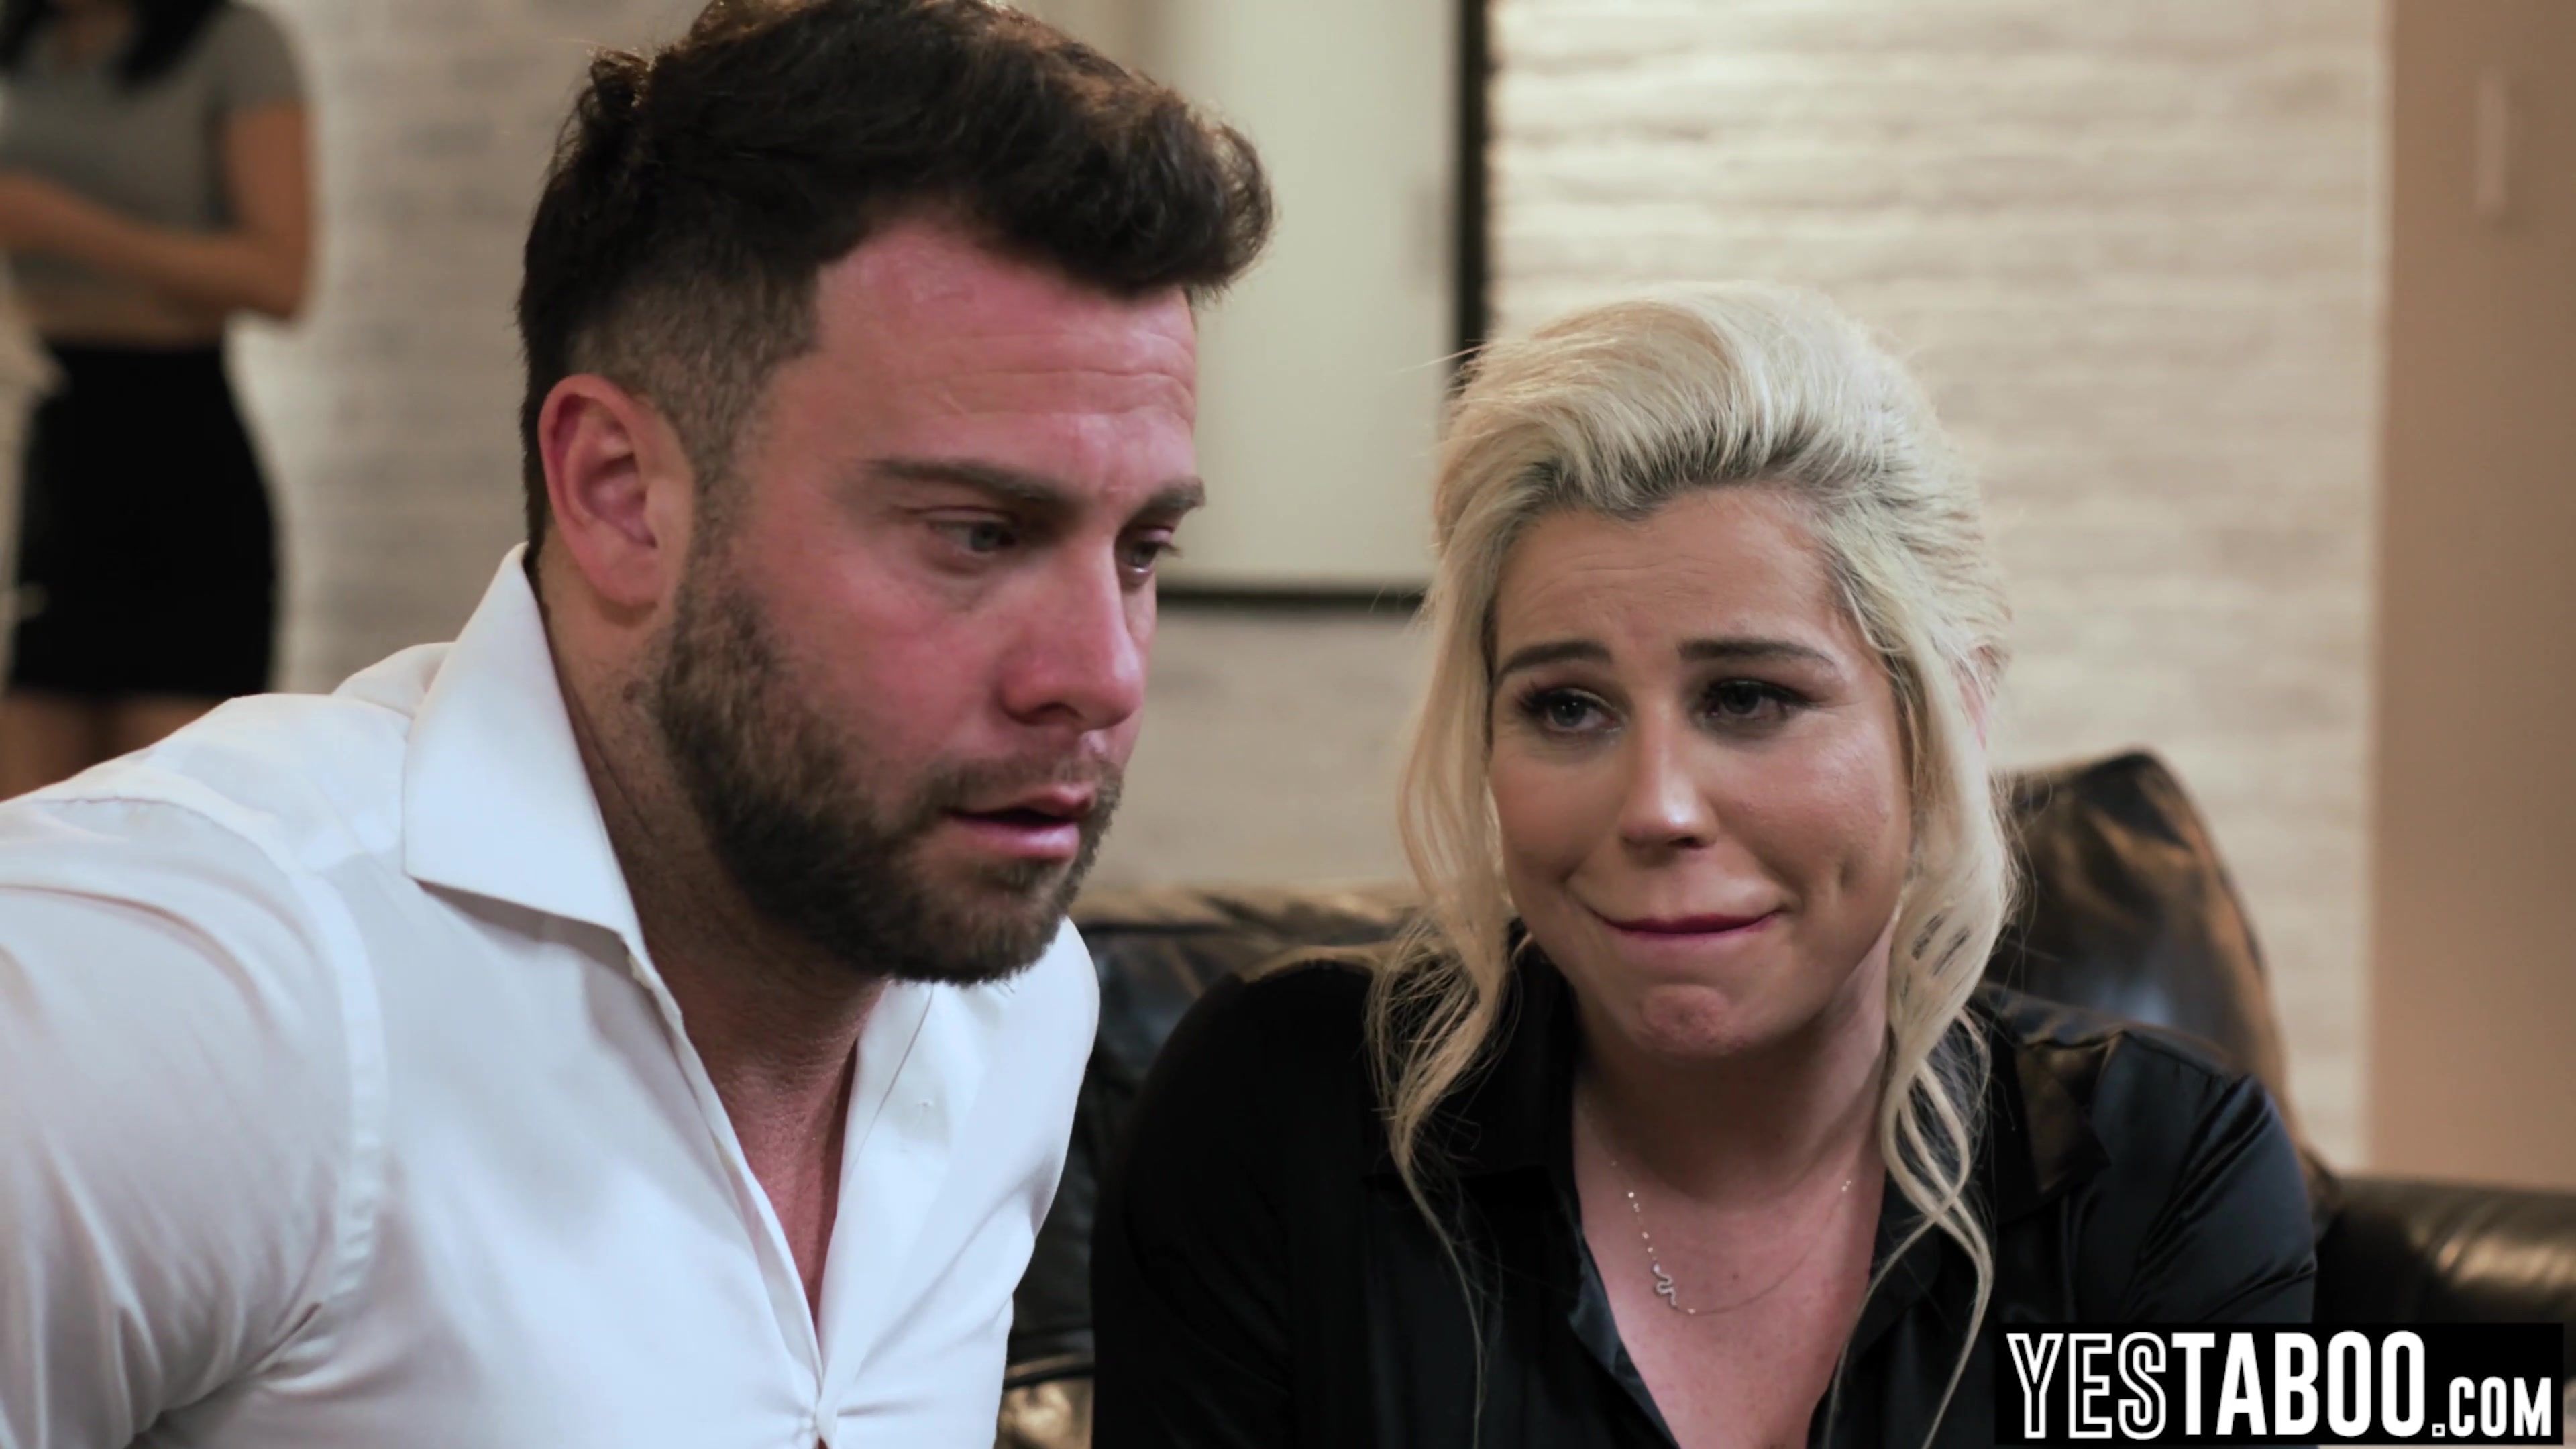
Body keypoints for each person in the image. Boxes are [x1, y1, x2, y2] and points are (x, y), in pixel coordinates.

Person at [0, 0, 1269, 1442]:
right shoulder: (180, 993)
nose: (1102, 674)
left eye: (1143, 551)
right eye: (977, 534)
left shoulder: (1020, 1011)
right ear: (620, 495)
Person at [1092, 286, 2315, 1448]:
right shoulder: (1284, 1117)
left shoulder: (2156, 1173)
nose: (1657, 808)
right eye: (1568, 708)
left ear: (1948, 715)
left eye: (1747, 698)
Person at [0, 0, 312, 795]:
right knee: (23, 836)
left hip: (171, 453)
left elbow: (281, 277)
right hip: (34, 446)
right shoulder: (22, 38)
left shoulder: (235, 45)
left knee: (163, 813)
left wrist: (60, 225)